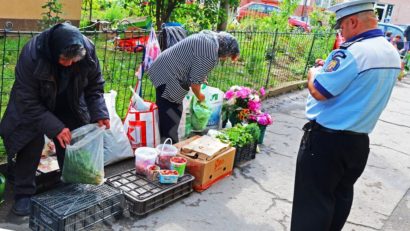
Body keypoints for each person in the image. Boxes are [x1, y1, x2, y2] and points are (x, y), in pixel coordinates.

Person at [290, 1, 401, 230]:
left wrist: (314, 73)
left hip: (326, 143)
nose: (341, 32)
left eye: (341, 26)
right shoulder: (390, 52)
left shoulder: (354, 51)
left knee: (312, 203)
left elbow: (319, 91)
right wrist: (329, 69)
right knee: (339, 197)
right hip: (358, 142)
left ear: (353, 21)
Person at [0, 23, 110, 216]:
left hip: (68, 100)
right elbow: (27, 100)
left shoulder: (87, 49)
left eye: (73, 61)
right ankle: (23, 193)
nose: (69, 64)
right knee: (30, 142)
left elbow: (94, 85)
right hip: (34, 104)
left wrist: (100, 112)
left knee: (71, 138)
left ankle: (70, 182)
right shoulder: (32, 55)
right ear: (54, 51)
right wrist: (55, 127)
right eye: (64, 59)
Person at [147, 31, 240, 143]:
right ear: (225, 50)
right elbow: (195, 85)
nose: (225, 59)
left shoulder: (209, 38)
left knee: (168, 113)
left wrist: (200, 77)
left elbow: (194, 61)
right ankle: (168, 150)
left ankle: (165, 145)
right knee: (171, 117)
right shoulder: (210, 54)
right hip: (168, 75)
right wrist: (201, 97)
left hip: (163, 67)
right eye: (228, 56)